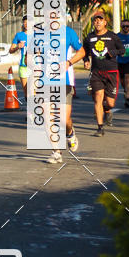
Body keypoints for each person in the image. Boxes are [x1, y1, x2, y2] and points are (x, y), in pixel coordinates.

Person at [67, 10, 125, 137]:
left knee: (110, 103)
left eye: (100, 19)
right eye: (95, 20)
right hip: (96, 72)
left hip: (111, 72)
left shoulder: (112, 36)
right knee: (98, 97)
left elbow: (122, 50)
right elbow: (84, 52)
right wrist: (86, 61)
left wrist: (112, 53)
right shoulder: (89, 37)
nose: (97, 22)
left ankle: (107, 110)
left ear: (105, 22)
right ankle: (100, 128)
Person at [48, 24, 82, 163]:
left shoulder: (68, 32)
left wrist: (69, 62)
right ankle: (56, 152)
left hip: (65, 81)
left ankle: (70, 133)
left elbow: (82, 52)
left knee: (63, 119)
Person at [9, 16, 28, 97]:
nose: (27, 24)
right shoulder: (19, 35)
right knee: (26, 91)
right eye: (25, 22)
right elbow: (10, 50)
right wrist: (18, 46)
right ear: (23, 24)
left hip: (36, 66)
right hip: (23, 66)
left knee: (34, 91)